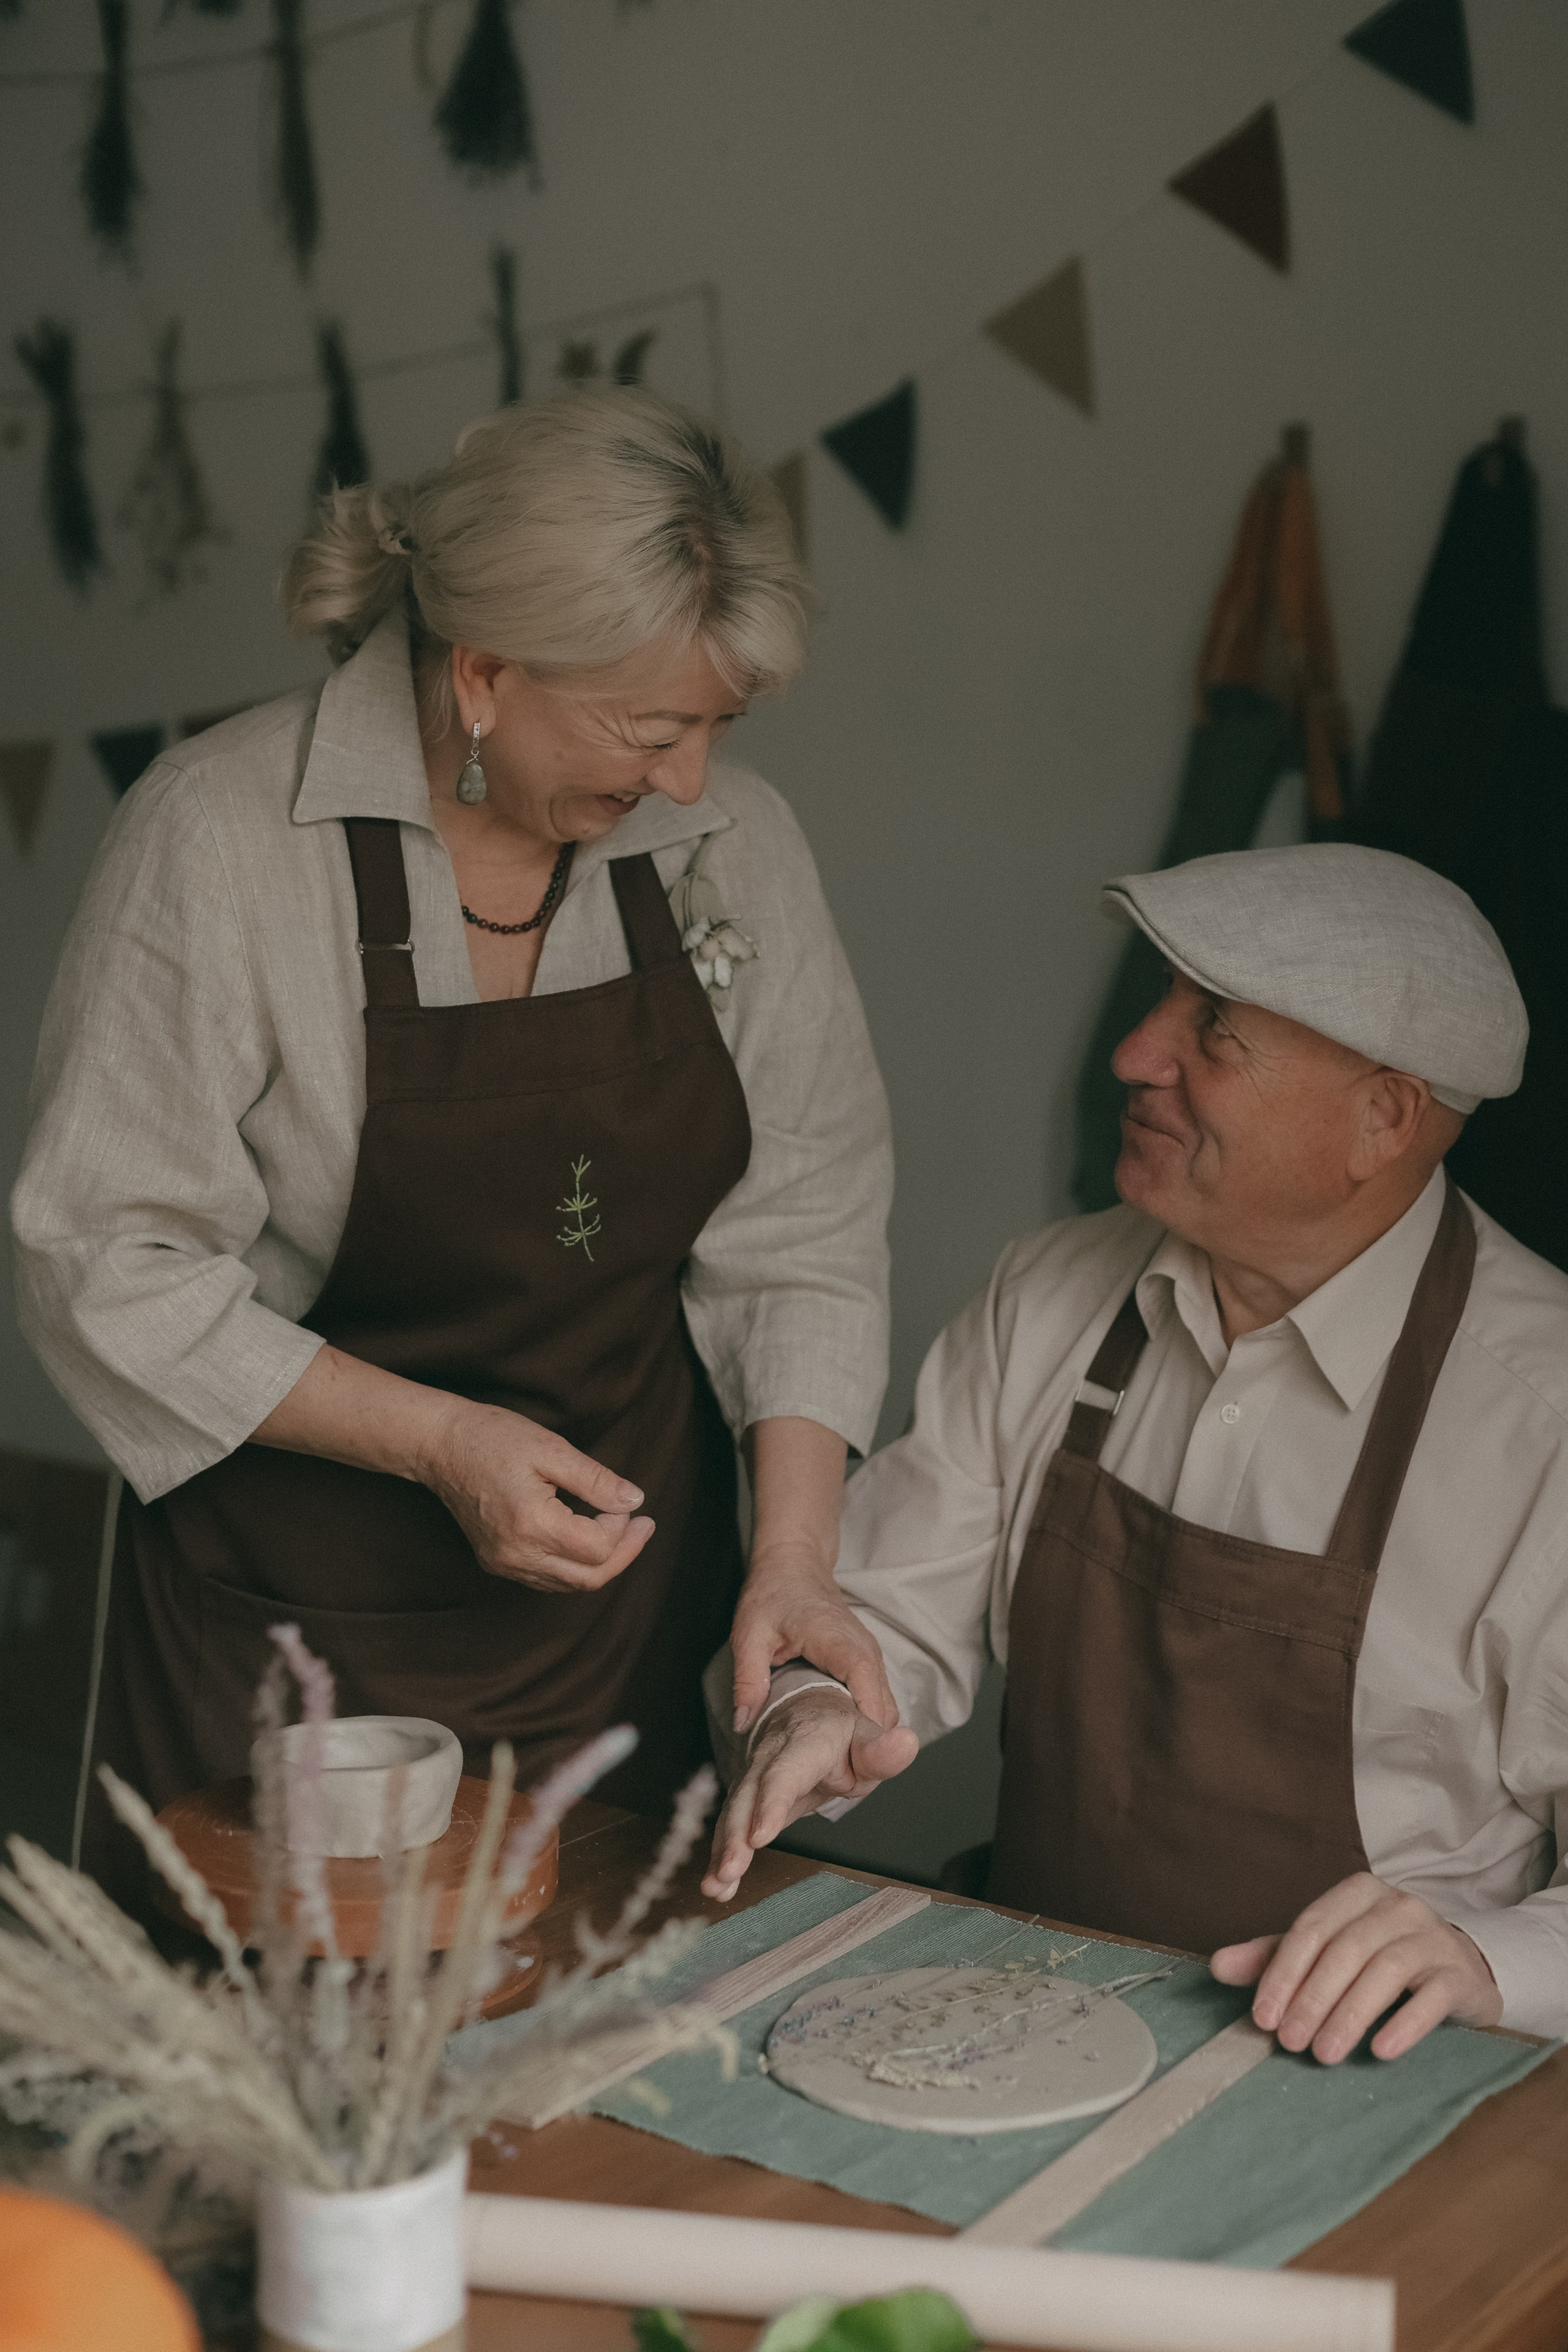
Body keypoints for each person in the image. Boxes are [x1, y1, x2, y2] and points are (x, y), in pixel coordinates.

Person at [12, 386, 895, 1910]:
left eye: (716, 728)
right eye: (651, 728)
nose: (686, 781)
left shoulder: (727, 847)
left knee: (600, 2091)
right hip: (288, 1648)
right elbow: (108, 1258)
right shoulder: (220, 839)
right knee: (283, 2099)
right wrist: (440, 1443)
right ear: (481, 673)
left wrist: (793, 1562)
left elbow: (799, 1231)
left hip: (622, 1633)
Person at [703, 842, 1568, 2057]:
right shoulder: (1048, 1293)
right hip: (1018, 2027)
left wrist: (1483, 1960)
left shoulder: (1544, 1426)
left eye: (1208, 1029)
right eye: (1157, 1000)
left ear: (1381, 1117)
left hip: (1385, 2082)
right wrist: (808, 1707)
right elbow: (870, 1622)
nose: (1130, 1056)